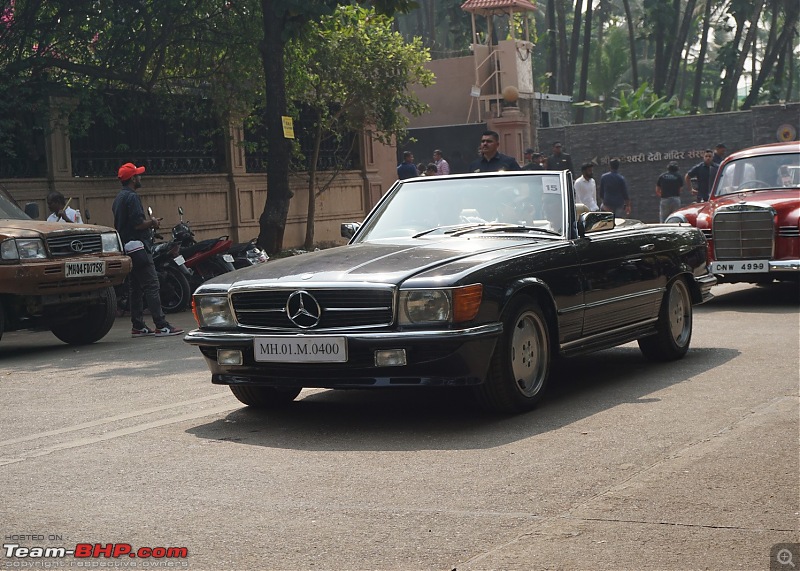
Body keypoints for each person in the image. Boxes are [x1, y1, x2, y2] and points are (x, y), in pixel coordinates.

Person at [112, 162, 183, 338]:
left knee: (135, 287)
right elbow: (137, 224)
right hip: (139, 247)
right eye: (138, 175)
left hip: (127, 248)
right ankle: (161, 324)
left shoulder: (119, 198)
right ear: (132, 179)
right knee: (152, 284)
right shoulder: (132, 197)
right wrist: (153, 222)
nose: (140, 177)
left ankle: (138, 325)